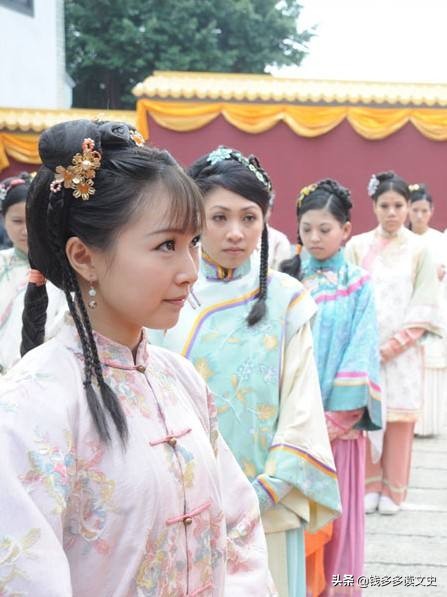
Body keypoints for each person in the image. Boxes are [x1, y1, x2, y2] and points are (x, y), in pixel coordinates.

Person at [0, 121, 272, 596]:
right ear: (84, 257)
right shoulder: (31, 404)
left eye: (192, 243)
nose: (190, 271)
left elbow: (239, 530)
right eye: (166, 245)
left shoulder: (180, 379)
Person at [150, 146, 341, 597]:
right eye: (219, 217)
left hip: (266, 501)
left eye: (249, 218)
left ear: (265, 220)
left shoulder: (287, 299)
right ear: (195, 218)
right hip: (180, 499)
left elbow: (302, 403)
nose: (236, 233)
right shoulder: (164, 294)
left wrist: (267, 489)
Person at [281, 179, 382, 596]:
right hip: (289, 426)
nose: (315, 237)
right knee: (292, 520)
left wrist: (334, 420)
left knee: (336, 522)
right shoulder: (284, 281)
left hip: (336, 428)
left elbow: (363, 349)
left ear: (346, 230)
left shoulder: (358, 285)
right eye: (307, 229)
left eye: (325, 229)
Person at [345, 171, 442, 516]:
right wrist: (365, 346)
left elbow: (424, 303)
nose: (391, 212)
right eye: (384, 205)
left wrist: (392, 347)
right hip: (365, 350)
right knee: (366, 418)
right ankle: (369, 485)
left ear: (408, 207)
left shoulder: (420, 250)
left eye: (398, 206)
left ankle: (394, 491)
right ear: (373, 206)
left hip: (403, 353)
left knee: (400, 422)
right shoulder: (357, 247)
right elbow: (349, 297)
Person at [0, 173, 65, 373]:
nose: (26, 230)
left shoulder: (62, 272)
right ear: (3, 219)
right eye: (17, 221)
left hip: (39, 370)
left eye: (33, 221)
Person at [407, 183, 447, 436]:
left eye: (424, 210)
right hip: (407, 313)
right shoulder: (403, 240)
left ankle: (429, 424)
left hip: (435, 309)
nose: (420, 216)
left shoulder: (439, 241)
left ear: (431, 211)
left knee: (433, 366)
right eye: (415, 210)